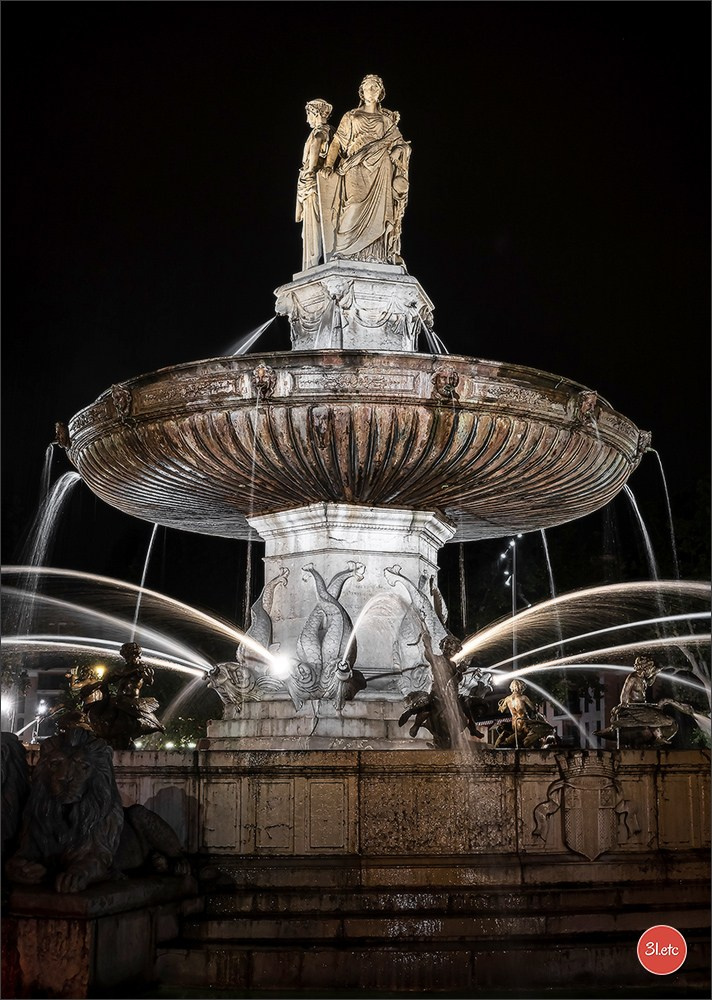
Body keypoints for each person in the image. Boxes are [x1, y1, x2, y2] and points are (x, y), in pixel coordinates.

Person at [321, 74, 411, 265]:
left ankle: (378, 255)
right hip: (356, 164)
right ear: (362, 92)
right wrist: (329, 164)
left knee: (381, 213)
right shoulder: (351, 116)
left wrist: (397, 150)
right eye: (368, 87)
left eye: (375, 87)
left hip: (381, 167)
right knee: (353, 205)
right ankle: (344, 250)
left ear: (381, 93)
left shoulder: (386, 121)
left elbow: (403, 144)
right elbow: (337, 142)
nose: (372, 91)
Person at [296, 99, 334, 270]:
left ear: (316, 113)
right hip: (321, 183)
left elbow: (318, 141)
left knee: (313, 224)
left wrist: (310, 169)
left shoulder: (320, 131)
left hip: (314, 183)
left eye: (308, 114)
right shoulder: (333, 131)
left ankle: (311, 264)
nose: (307, 119)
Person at [495, 679, 556, 748]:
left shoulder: (507, 699)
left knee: (518, 734)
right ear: (521, 688)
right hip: (523, 721)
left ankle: (509, 742)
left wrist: (501, 705)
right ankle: (525, 743)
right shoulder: (523, 698)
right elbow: (534, 709)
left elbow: (501, 710)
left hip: (514, 722)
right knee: (546, 728)